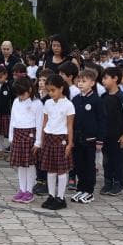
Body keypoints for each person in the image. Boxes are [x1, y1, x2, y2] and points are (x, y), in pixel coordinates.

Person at [69, 69, 106, 204]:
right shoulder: (76, 99)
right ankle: (81, 188)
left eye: (84, 81)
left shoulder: (96, 100)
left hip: (90, 139)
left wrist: (100, 139)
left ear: (92, 83)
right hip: (77, 139)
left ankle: (89, 191)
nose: (80, 83)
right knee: (78, 164)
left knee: (89, 166)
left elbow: (102, 120)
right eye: (79, 80)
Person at [38, 74, 75, 210]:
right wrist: (42, 139)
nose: (50, 93)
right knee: (50, 169)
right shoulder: (47, 103)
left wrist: (70, 143)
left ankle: (60, 198)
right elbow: (45, 122)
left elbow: (70, 125)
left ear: (61, 88)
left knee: (61, 170)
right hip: (49, 138)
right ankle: (51, 195)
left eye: (53, 90)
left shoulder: (68, 105)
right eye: (48, 91)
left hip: (62, 139)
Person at [8, 76, 43, 204]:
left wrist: (38, 142)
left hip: (30, 135)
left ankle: (29, 191)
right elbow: (13, 119)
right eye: (18, 94)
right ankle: (22, 189)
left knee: (30, 164)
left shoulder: (37, 103)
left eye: (22, 94)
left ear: (29, 89)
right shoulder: (16, 101)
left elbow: (40, 124)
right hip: (17, 134)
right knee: (20, 165)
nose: (20, 96)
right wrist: (11, 136)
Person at [100, 67, 123, 196]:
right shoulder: (103, 97)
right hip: (106, 135)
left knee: (118, 160)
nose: (103, 81)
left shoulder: (122, 98)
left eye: (106, 78)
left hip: (118, 136)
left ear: (115, 79)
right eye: (103, 78)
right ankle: (108, 181)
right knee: (107, 160)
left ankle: (118, 182)